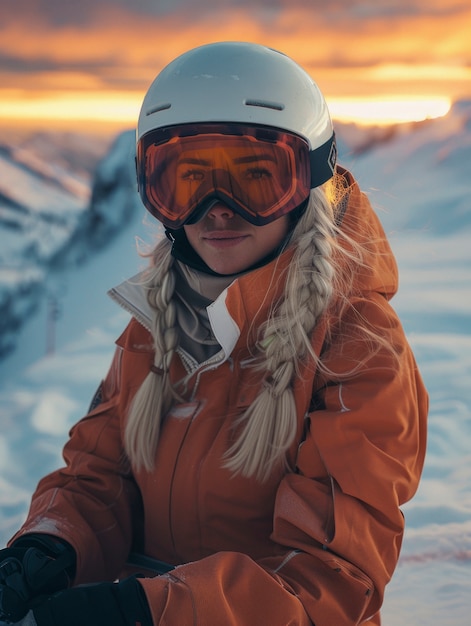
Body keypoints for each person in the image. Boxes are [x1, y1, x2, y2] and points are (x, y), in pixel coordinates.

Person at [0, 42, 428, 626]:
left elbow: (332, 584)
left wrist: (144, 612)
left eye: (256, 180)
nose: (215, 211)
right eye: (187, 182)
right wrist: (47, 549)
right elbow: (98, 477)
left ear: (307, 183)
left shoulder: (359, 350)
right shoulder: (156, 321)